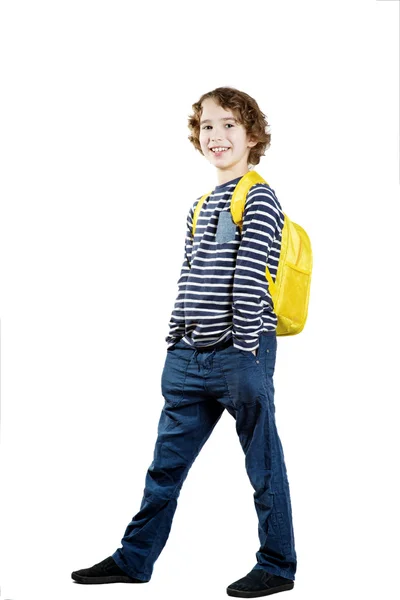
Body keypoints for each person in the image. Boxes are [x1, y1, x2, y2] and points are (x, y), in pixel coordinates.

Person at [71, 86, 297, 597]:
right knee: (164, 468)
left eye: (229, 125)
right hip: (188, 357)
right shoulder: (199, 205)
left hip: (240, 355)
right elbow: (189, 275)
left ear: (253, 135)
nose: (216, 136)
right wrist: (175, 338)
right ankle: (134, 560)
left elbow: (249, 278)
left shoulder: (258, 196)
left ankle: (278, 566)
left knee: (263, 465)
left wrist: (239, 344)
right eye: (208, 126)